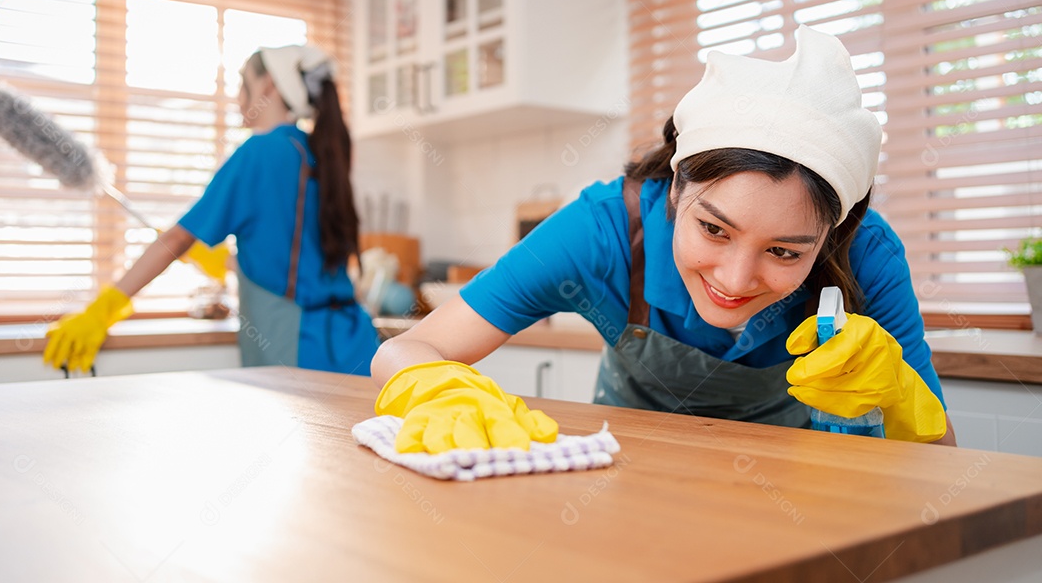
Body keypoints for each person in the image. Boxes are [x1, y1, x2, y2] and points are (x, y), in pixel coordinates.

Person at [371, 26, 955, 454]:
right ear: (676, 185)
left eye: (784, 252)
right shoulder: (601, 232)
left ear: (834, 231)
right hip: (619, 485)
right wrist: (437, 389)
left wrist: (903, 397)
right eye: (713, 229)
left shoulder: (867, 254)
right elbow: (403, 348)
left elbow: (944, 460)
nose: (733, 278)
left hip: (788, 498)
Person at [45, 45, 379, 375]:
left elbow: (177, 240)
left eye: (241, 83)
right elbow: (294, 259)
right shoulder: (314, 150)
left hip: (301, 351)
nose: (236, 98)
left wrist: (101, 311)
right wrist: (228, 264)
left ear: (268, 85)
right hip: (356, 345)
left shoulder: (260, 152)